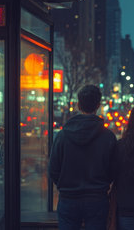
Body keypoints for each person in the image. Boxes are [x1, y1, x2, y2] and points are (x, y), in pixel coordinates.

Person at [49, 85, 117, 230]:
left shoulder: (63, 136)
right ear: (98, 106)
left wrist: (65, 185)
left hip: (69, 198)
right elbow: (114, 171)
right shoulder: (108, 137)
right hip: (97, 199)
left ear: (78, 105)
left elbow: (53, 170)